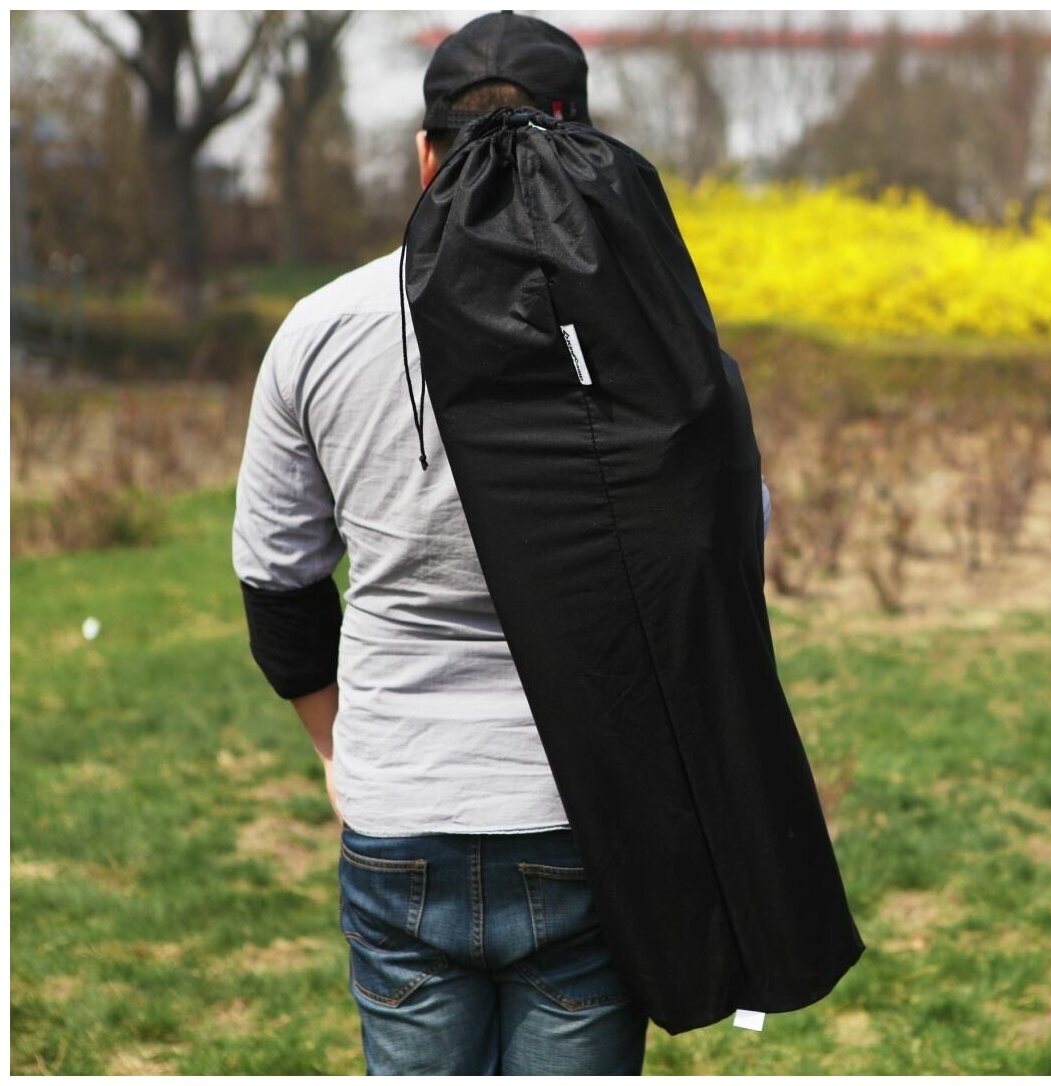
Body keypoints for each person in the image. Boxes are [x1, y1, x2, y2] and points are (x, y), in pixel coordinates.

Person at [231, 11, 770, 1075]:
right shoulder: (648, 332)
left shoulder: (321, 328)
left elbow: (276, 585)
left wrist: (338, 754)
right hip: (586, 814)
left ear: (424, 156)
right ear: (584, 146)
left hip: (398, 810)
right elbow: (723, 550)